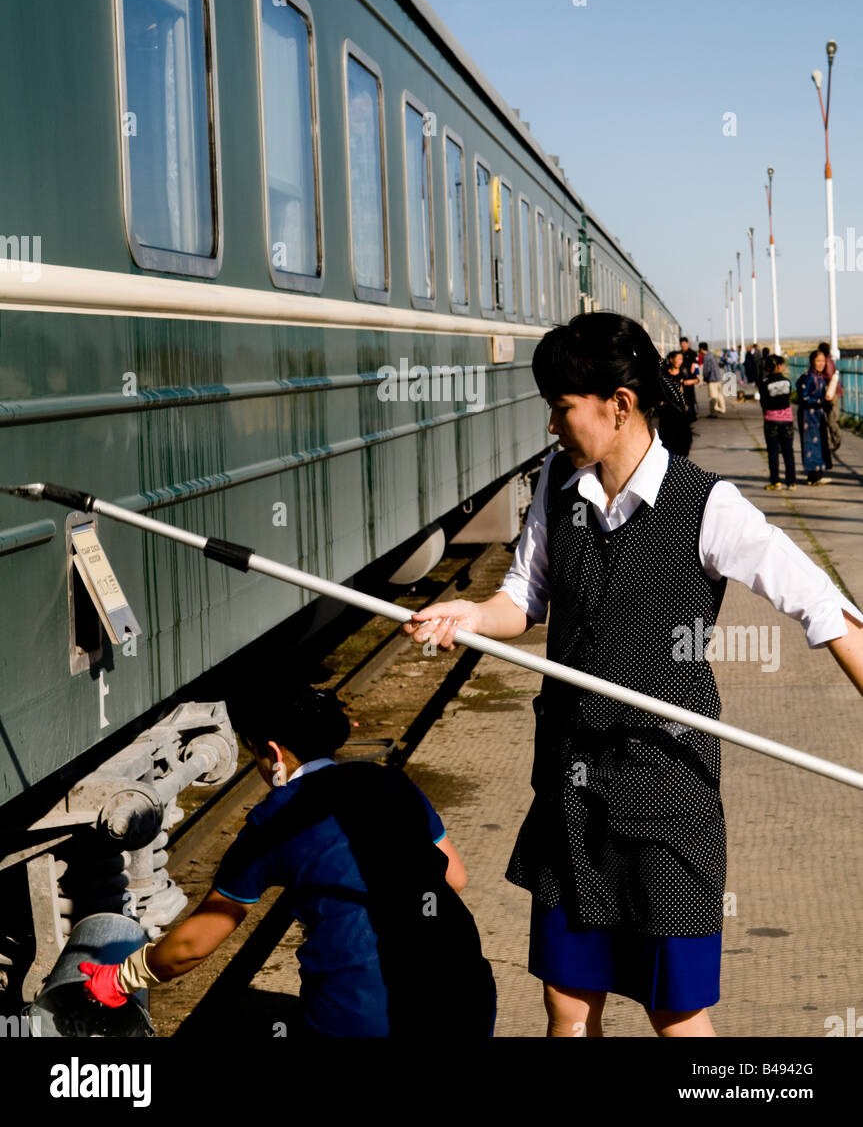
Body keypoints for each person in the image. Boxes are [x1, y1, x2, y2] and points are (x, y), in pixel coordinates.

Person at [402, 313, 863, 1039]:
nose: (551, 426)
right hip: (568, 782)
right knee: (566, 1001)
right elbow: (522, 598)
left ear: (618, 404)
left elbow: (826, 609)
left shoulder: (706, 504)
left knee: (673, 1009)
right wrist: (467, 615)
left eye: (561, 408)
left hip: (664, 789)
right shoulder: (558, 484)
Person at [80, 683, 496, 1038]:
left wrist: (122, 976)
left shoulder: (274, 820)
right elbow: (454, 876)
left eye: (256, 756)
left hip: (359, 1017)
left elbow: (193, 945)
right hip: (465, 992)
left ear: (275, 755)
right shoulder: (386, 779)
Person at [758, 355, 796, 490]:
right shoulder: (787, 382)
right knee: (788, 452)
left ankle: (776, 481)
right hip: (787, 420)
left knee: (773, 452)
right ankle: (791, 482)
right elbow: (787, 398)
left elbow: (763, 403)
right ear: (779, 366)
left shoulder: (765, 383)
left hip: (771, 420)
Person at [796, 350, 833, 486]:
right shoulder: (807, 377)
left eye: (823, 361)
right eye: (818, 361)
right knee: (811, 443)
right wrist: (821, 401)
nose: (821, 364)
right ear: (812, 362)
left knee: (820, 442)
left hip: (818, 415)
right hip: (808, 415)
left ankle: (817, 475)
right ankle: (813, 475)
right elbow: (803, 397)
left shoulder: (820, 377)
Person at [817, 341, 843, 452]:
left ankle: (836, 439)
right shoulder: (830, 360)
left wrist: (819, 375)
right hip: (833, 392)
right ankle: (834, 440)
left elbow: (828, 374)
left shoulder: (826, 362)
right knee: (829, 417)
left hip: (831, 392)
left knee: (831, 419)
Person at [698, 343, 725, 417]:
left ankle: (713, 412)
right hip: (718, 378)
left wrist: (705, 378)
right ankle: (722, 408)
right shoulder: (712, 355)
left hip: (712, 379)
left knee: (713, 396)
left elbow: (707, 369)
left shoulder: (706, 357)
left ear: (701, 349)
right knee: (720, 395)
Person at [679, 336, 699, 422]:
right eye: (681, 343)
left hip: (690, 378)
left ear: (687, 343)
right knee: (682, 397)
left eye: (684, 343)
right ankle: (685, 414)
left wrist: (694, 378)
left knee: (690, 397)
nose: (683, 345)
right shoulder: (679, 354)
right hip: (681, 378)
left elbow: (694, 366)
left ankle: (692, 414)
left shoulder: (692, 353)